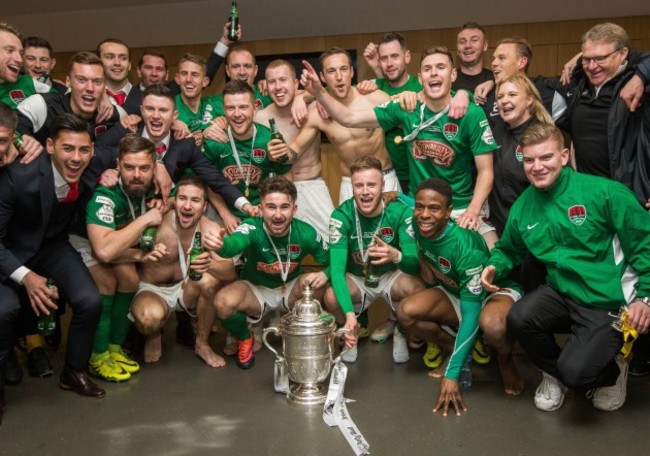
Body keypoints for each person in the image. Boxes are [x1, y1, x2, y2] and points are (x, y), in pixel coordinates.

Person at [481, 123, 650, 412]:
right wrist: (494, 265)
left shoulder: (605, 193)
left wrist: (645, 297)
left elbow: (644, 242)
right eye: (529, 160)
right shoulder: (524, 206)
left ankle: (614, 368)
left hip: (607, 299)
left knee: (578, 374)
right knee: (520, 317)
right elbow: (509, 249)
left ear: (563, 155)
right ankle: (556, 374)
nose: (537, 167)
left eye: (546, 157)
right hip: (563, 292)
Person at [301, 46, 497, 247]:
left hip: (461, 207)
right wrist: (318, 93)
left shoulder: (472, 114)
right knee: (410, 263)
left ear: (453, 74)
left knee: (490, 249)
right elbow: (348, 118)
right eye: (428, 69)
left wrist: (473, 210)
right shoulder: (406, 109)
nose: (434, 73)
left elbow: (486, 172)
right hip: (418, 208)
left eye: (441, 67)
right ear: (421, 78)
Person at [1, 114, 110, 423]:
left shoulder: (93, 164)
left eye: (84, 150)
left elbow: (120, 149)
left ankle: (73, 371)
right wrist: (26, 276)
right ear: (49, 146)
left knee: (90, 301)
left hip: (52, 246)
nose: (76, 158)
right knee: (4, 311)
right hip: (10, 252)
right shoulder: (17, 178)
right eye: (67, 149)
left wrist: (155, 170)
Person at [398, 178, 522, 417]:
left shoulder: (465, 248)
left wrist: (451, 375)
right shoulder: (419, 224)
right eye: (419, 207)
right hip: (458, 291)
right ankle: (456, 348)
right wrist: (396, 195)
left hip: (492, 293)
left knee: (492, 325)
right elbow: (415, 204)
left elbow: (472, 313)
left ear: (448, 213)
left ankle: (505, 359)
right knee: (406, 311)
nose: (424, 214)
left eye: (434, 208)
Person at [205, 176, 330, 369]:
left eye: (284, 207)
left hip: (290, 289)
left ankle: (299, 330)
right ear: (261, 209)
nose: (278, 214)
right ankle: (245, 337)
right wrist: (221, 246)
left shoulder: (306, 233)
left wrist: (325, 274)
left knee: (315, 282)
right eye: (271, 207)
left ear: (294, 209)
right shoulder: (252, 226)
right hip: (256, 289)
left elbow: (331, 261)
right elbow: (234, 244)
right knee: (222, 303)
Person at [324, 157, 423, 364]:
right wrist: (350, 314)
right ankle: (352, 332)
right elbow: (336, 271)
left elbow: (414, 265)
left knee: (416, 288)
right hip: (359, 278)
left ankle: (400, 330)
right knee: (331, 296)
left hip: (390, 276)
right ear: (352, 187)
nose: (365, 191)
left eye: (371, 184)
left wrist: (396, 256)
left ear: (383, 186)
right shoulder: (341, 216)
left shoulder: (400, 212)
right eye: (359, 185)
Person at [129, 174, 235, 367]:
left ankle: (202, 344)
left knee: (209, 282)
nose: (187, 206)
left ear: (204, 207)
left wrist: (209, 264)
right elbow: (122, 248)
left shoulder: (210, 229)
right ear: (174, 201)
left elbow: (229, 272)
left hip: (185, 289)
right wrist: (141, 254)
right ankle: (153, 335)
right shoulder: (155, 222)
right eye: (182, 199)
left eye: (195, 200)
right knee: (147, 320)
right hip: (152, 289)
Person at [84, 135, 165, 382]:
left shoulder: (150, 186)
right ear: (118, 165)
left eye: (144, 168)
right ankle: (97, 357)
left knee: (130, 280)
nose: (136, 175)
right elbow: (105, 252)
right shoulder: (105, 195)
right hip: (87, 243)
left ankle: (114, 348)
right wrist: (146, 219)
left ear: (154, 168)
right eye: (129, 168)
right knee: (107, 283)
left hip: (119, 244)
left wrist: (164, 201)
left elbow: (172, 198)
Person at [276, 47, 400, 204]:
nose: (339, 77)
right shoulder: (318, 113)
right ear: (322, 76)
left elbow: (409, 123)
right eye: (331, 71)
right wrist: (277, 152)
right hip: (350, 183)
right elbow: (295, 150)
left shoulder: (375, 99)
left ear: (352, 72)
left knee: (392, 228)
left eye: (343, 69)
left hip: (384, 178)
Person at [557, 22, 650, 208]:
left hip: (632, 199)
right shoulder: (578, 83)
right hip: (589, 199)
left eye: (600, 58)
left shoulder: (640, 86)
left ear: (623, 54)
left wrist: (641, 76)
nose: (592, 66)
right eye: (586, 59)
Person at [255, 59, 334, 240]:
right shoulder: (260, 118)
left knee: (334, 239)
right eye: (272, 82)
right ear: (266, 86)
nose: (278, 87)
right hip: (278, 191)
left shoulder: (313, 107)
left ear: (295, 83)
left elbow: (337, 91)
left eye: (283, 80)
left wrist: (304, 97)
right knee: (275, 248)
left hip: (312, 185)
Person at [203, 80, 290, 232]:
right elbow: (209, 184)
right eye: (231, 108)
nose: (237, 114)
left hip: (265, 216)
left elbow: (286, 176)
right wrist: (225, 214)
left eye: (243, 107)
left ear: (255, 108)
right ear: (223, 109)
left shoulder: (270, 139)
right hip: (226, 216)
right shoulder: (215, 142)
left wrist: (271, 210)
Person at [16, 51, 122, 145]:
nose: (90, 88)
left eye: (97, 82)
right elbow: (8, 129)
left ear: (104, 86)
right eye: (81, 80)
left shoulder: (112, 113)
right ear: (68, 82)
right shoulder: (42, 105)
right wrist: (22, 143)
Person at [453, 22, 493, 94]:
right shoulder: (447, 82)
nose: (467, 45)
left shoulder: (496, 80)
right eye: (462, 42)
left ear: (485, 45)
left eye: (474, 40)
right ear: (457, 48)